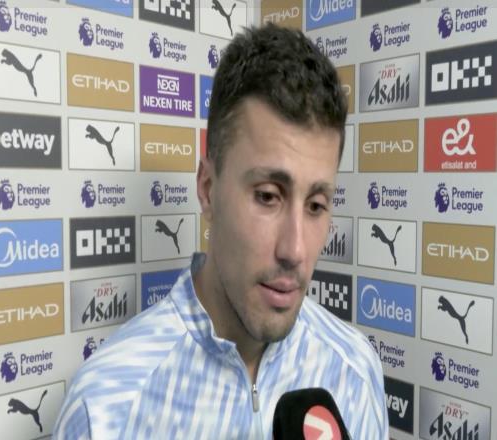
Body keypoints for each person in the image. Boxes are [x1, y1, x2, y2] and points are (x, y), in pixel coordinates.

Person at [54, 24, 388, 439]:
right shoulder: (107, 407)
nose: (295, 250)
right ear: (208, 189)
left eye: (316, 205)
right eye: (268, 196)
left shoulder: (355, 371)